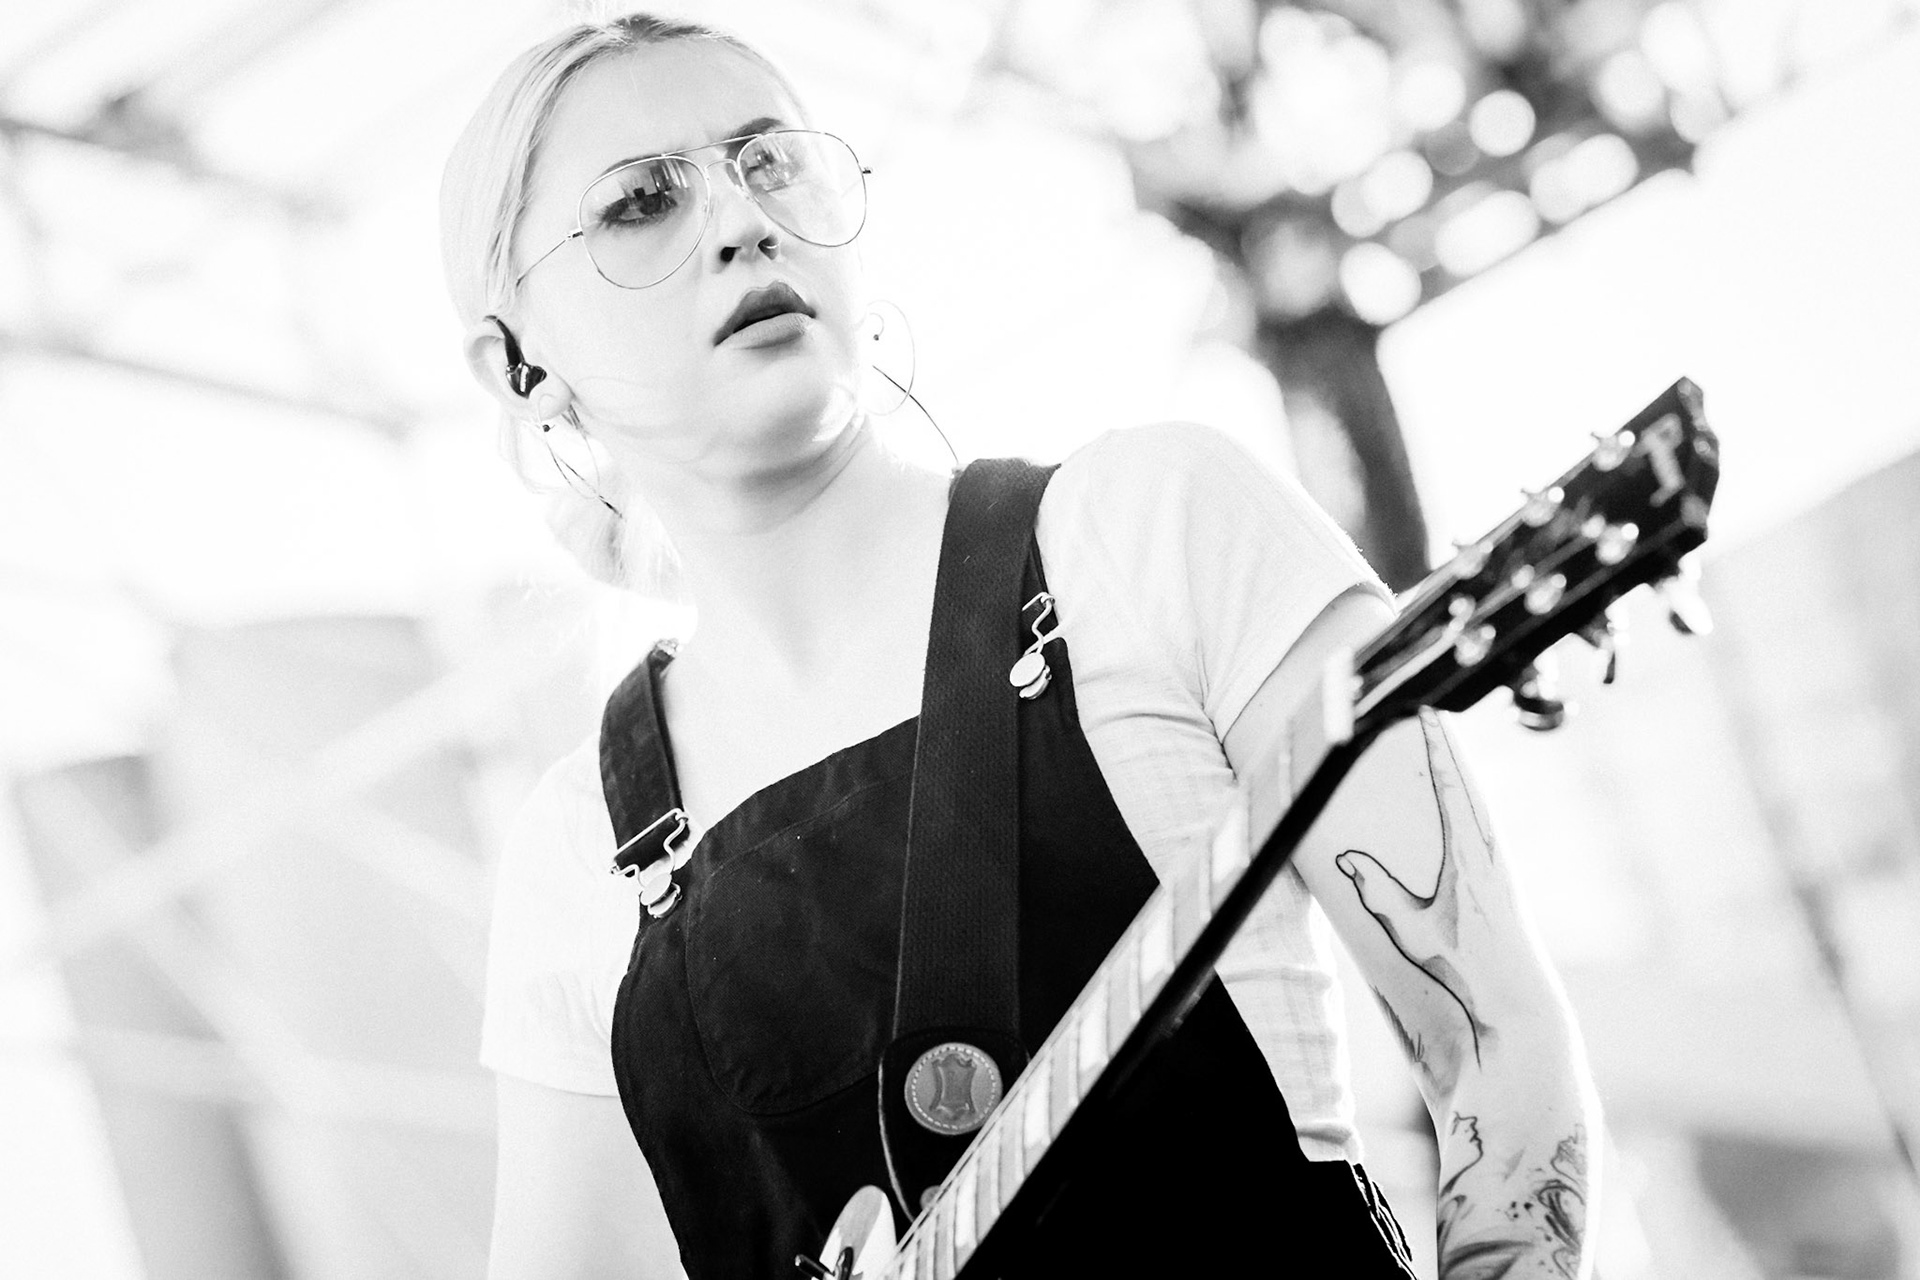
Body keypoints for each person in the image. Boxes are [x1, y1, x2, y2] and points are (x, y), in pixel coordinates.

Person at [440, 13, 1600, 1280]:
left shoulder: (1150, 527)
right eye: (639, 202)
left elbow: (1496, 1045)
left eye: (770, 159)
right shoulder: (578, 852)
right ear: (516, 367)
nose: (739, 221)